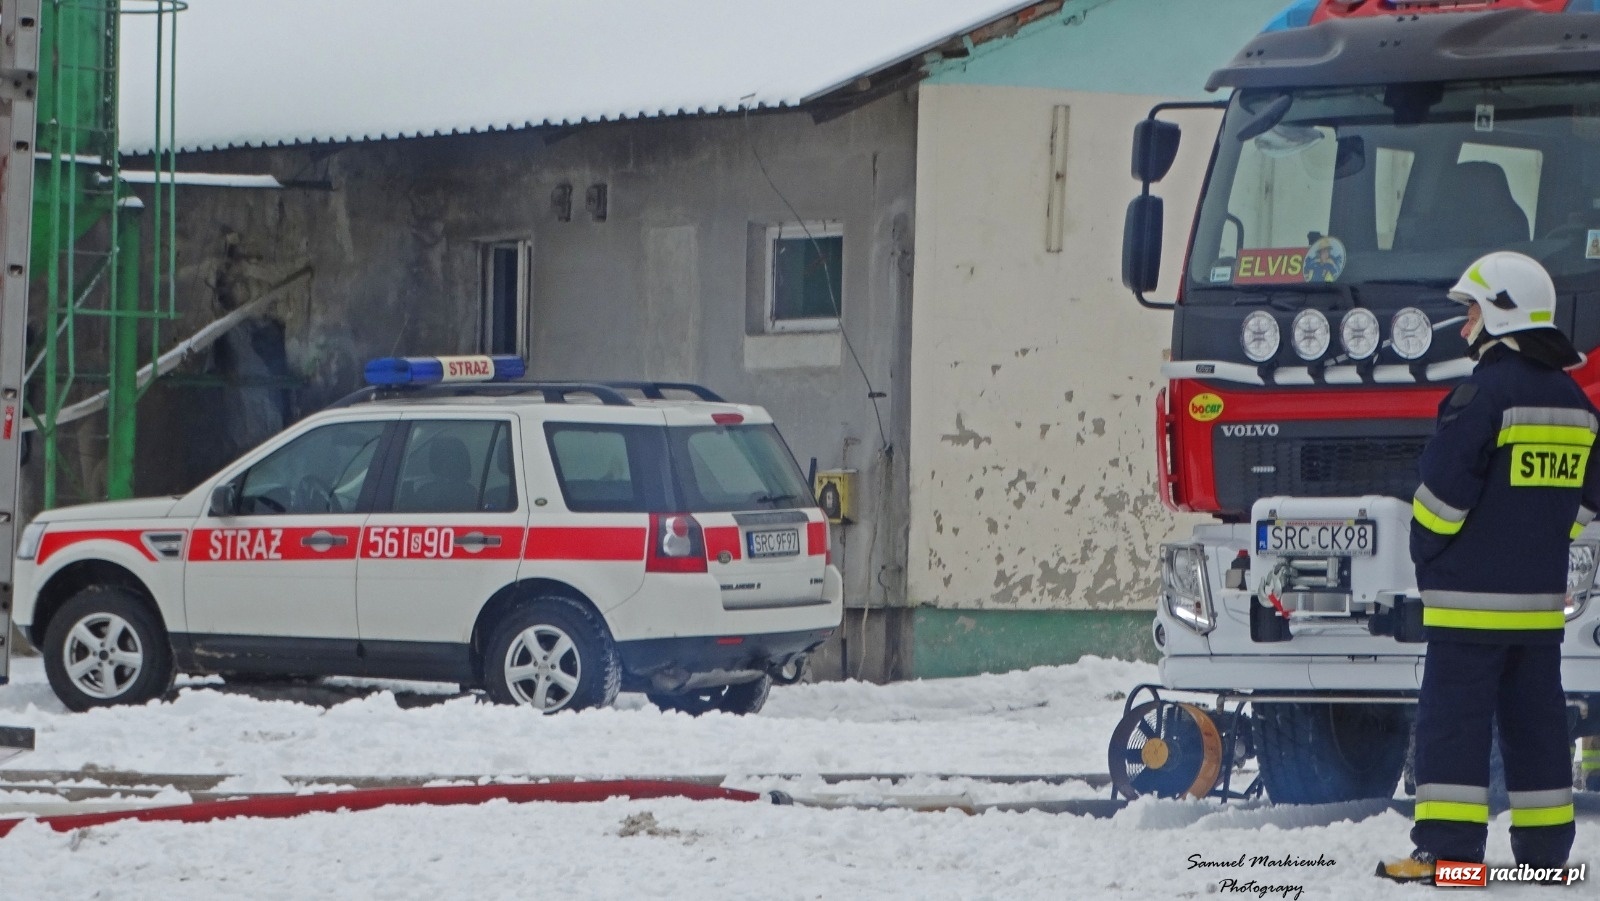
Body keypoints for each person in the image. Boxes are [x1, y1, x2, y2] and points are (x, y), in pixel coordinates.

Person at [1379, 251, 1593, 883]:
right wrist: (1543, 535)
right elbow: (1588, 498)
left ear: (1503, 311)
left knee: (1453, 724)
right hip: (1537, 605)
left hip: (1467, 600)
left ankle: (1448, 854)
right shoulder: (1574, 401)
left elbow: (1444, 495)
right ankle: (1546, 855)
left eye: (1472, 307)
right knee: (1537, 725)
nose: (1466, 320)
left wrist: (1426, 548)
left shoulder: (1481, 394)